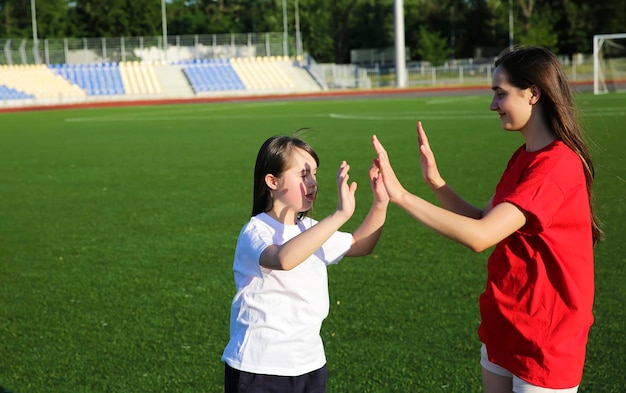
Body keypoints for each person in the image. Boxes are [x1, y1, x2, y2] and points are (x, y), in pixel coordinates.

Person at [371, 45, 602, 392]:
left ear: (533, 94)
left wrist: (402, 196)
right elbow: (484, 217)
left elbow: (481, 235)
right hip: (506, 323)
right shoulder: (523, 157)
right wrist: (437, 183)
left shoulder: (558, 165)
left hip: (545, 339)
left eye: (500, 94)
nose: (493, 105)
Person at [222, 134, 389, 393]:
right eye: (303, 175)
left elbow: (360, 244)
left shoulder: (310, 229)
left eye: (315, 174)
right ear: (272, 181)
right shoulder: (256, 231)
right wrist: (339, 215)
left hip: (310, 364)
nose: (313, 182)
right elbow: (284, 259)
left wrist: (381, 202)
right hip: (260, 368)